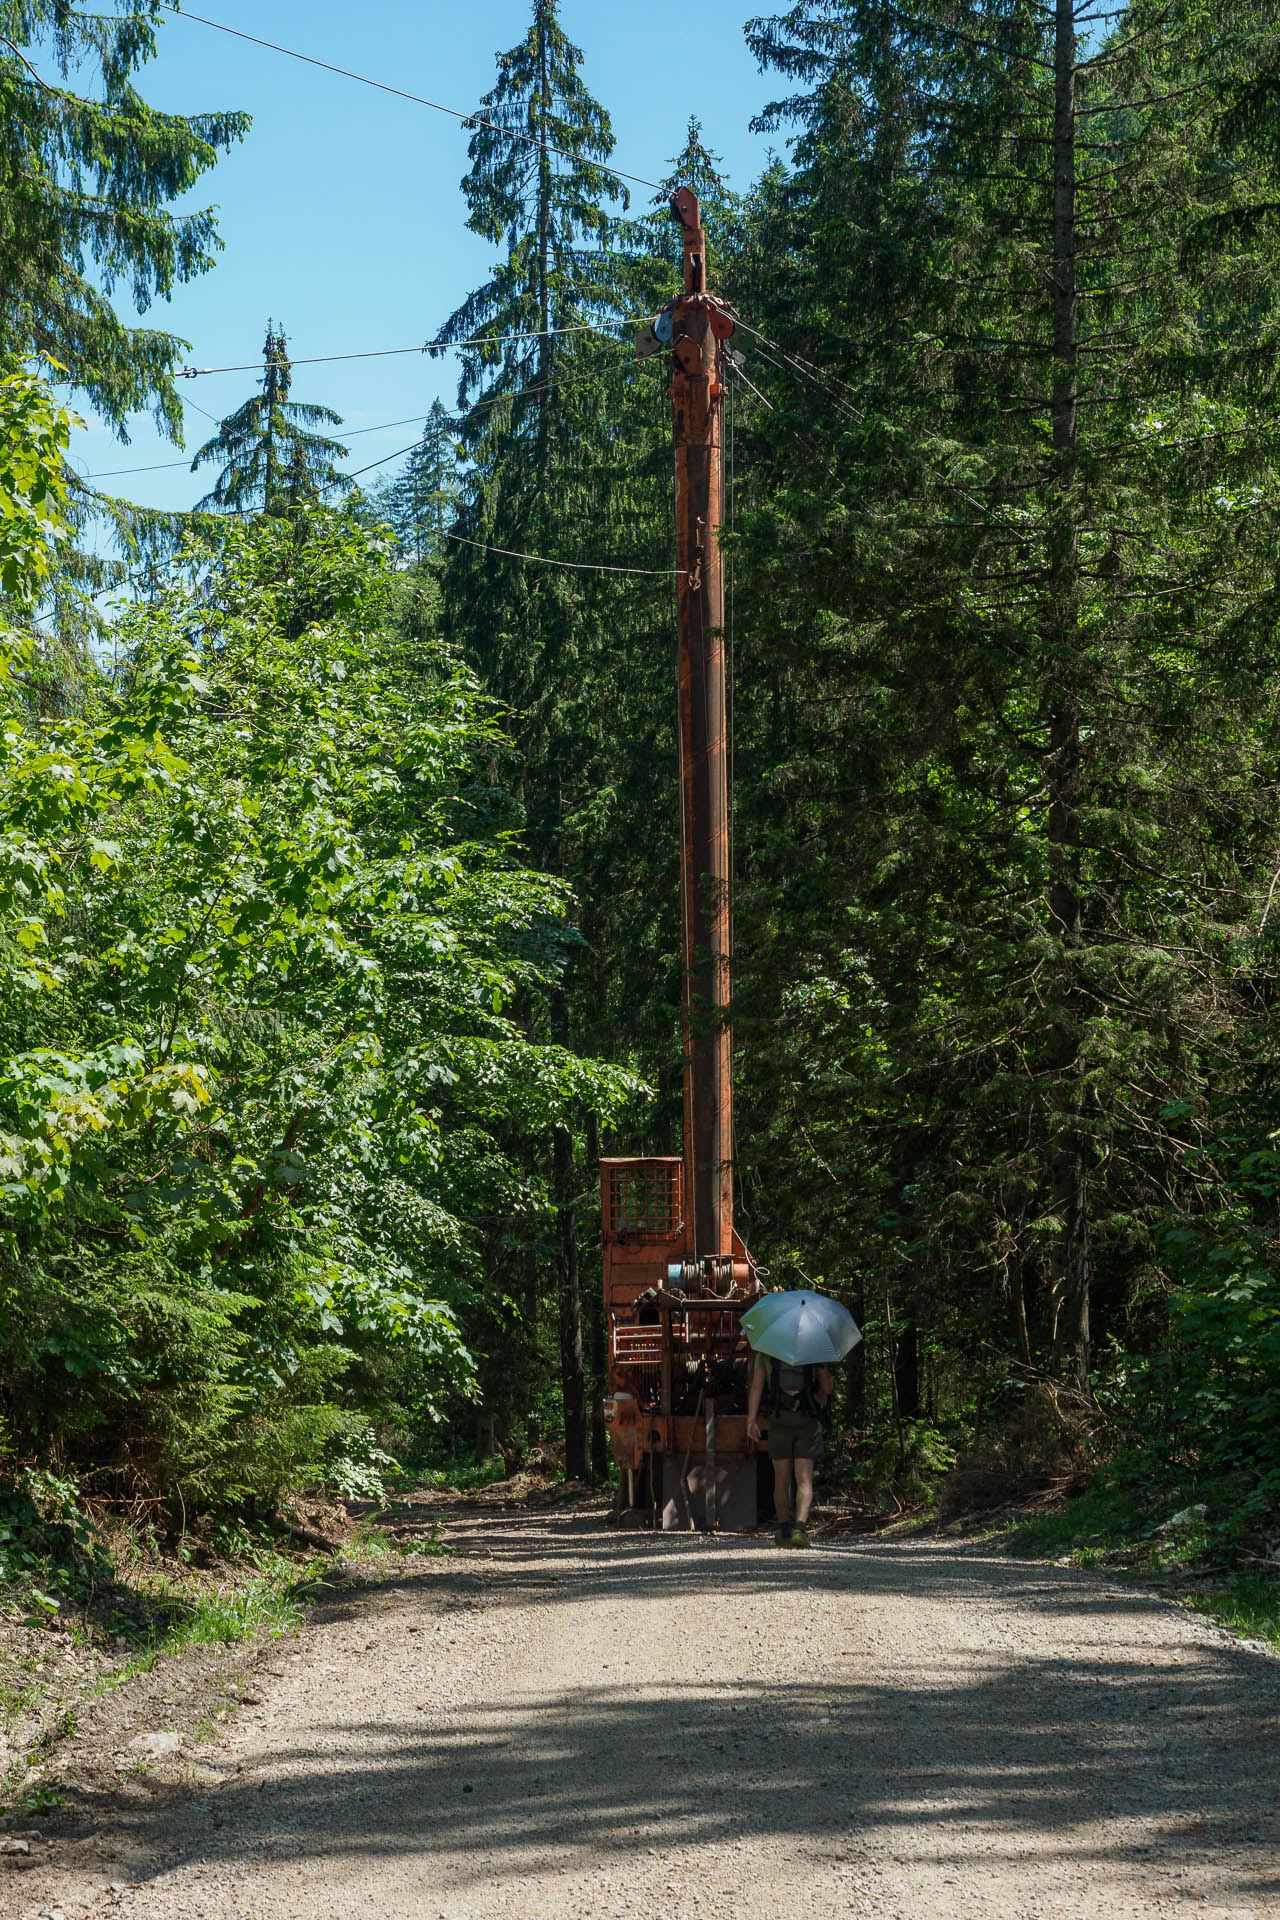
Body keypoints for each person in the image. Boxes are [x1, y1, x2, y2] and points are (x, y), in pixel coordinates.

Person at [746, 1353, 834, 1547]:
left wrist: (751, 1420)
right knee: (804, 1479)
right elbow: (827, 1389)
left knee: (781, 1479)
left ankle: (784, 1529)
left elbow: (756, 1387)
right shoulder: (813, 1348)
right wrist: (824, 1370)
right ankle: (800, 1530)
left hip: (779, 1420)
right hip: (807, 1420)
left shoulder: (767, 1352)